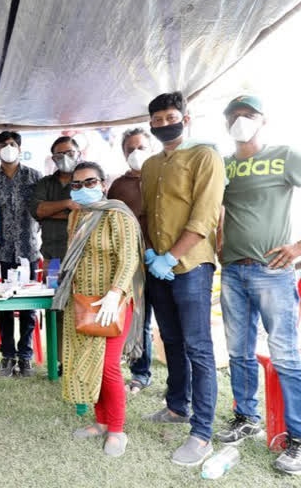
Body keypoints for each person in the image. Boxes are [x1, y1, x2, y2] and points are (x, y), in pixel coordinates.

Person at [215, 95, 301, 475]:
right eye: (233, 116)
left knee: (285, 355)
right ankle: (246, 417)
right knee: (239, 352)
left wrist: (299, 247)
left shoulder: (283, 155)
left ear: (262, 120)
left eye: (247, 115)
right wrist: (219, 243)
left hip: (273, 271)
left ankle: (297, 439)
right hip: (233, 271)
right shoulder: (224, 165)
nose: (240, 121)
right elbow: (215, 208)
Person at [141, 91, 225, 466]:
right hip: (158, 266)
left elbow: (205, 217)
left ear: (185, 119)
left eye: (170, 117)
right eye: (156, 120)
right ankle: (177, 407)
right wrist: (150, 253)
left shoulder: (205, 156)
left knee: (198, 347)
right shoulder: (150, 164)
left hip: (191, 265)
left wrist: (171, 256)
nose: (163, 125)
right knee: (170, 339)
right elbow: (146, 216)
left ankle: (202, 433)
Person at [53, 161, 144, 458]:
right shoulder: (76, 217)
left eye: (89, 182)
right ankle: (101, 421)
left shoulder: (118, 215)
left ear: (103, 183)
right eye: (76, 185)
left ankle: (117, 430)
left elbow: (129, 257)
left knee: (107, 366)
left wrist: (115, 293)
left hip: (112, 302)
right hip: (83, 302)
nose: (82, 189)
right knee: (90, 361)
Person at [0, 131, 42, 377]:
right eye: (3, 145)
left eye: (12, 144)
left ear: (20, 148)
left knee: (28, 309)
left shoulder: (35, 177)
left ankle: (25, 356)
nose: (8, 148)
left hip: (29, 252)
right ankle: (7, 355)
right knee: (3, 307)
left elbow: (42, 212)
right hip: (1, 255)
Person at [107, 128, 155, 394]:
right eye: (130, 149)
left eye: (141, 147)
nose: (136, 153)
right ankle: (140, 373)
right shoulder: (118, 186)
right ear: (123, 153)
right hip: (134, 265)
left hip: (166, 261)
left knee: (173, 326)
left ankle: (181, 383)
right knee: (140, 321)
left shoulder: (162, 177)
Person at [29, 136, 82, 372]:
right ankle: (62, 361)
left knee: (83, 306)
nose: (65, 158)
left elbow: (88, 211)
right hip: (52, 258)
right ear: (53, 158)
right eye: (60, 155)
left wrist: (55, 210)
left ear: (78, 153)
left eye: (70, 153)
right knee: (57, 308)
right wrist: (69, 205)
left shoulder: (86, 178)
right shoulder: (45, 183)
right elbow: (38, 210)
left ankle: (82, 359)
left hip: (83, 255)